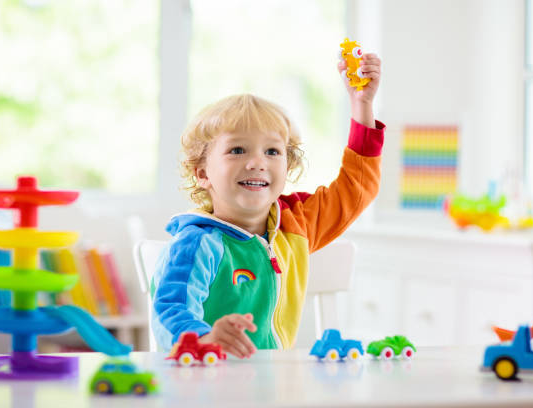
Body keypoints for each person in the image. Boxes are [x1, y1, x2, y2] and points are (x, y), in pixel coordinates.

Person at [151, 53, 384, 358]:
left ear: (288, 168)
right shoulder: (197, 242)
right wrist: (203, 340)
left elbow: (356, 188)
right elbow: (171, 308)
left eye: (273, 151)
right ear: (203, 173)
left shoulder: (295, 224)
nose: (257, 162)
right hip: (206, 385)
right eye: (237, 149)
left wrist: (362, 106)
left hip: (275, 385)